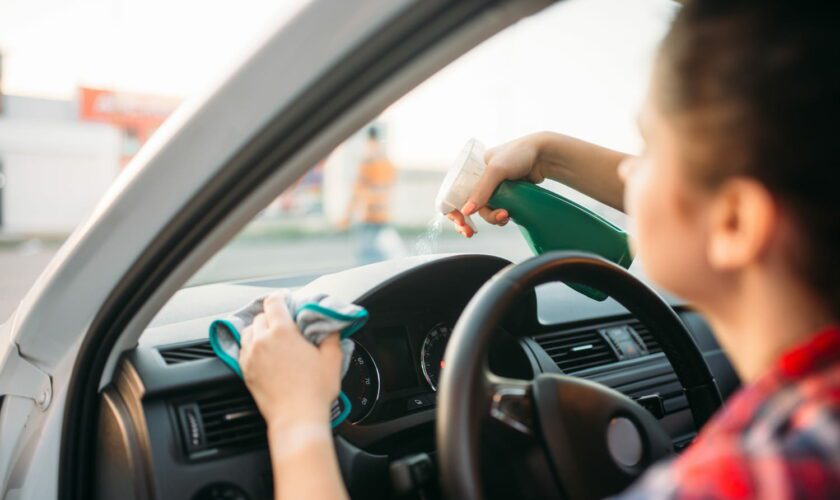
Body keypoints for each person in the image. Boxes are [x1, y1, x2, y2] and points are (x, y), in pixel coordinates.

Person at [239, 1, 840, 498]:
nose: (629, 172)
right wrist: (549, 155)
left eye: (649, 148)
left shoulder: (739, 483)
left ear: (734, 222)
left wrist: (297, 424)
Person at [340, 125, 402, 264]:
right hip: (375, 218)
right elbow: (359, 192)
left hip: (374, 218)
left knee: (369, 258)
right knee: (379, 257)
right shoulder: (382, 165)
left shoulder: (374, 165)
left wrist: (347, 216)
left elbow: (357, 193)